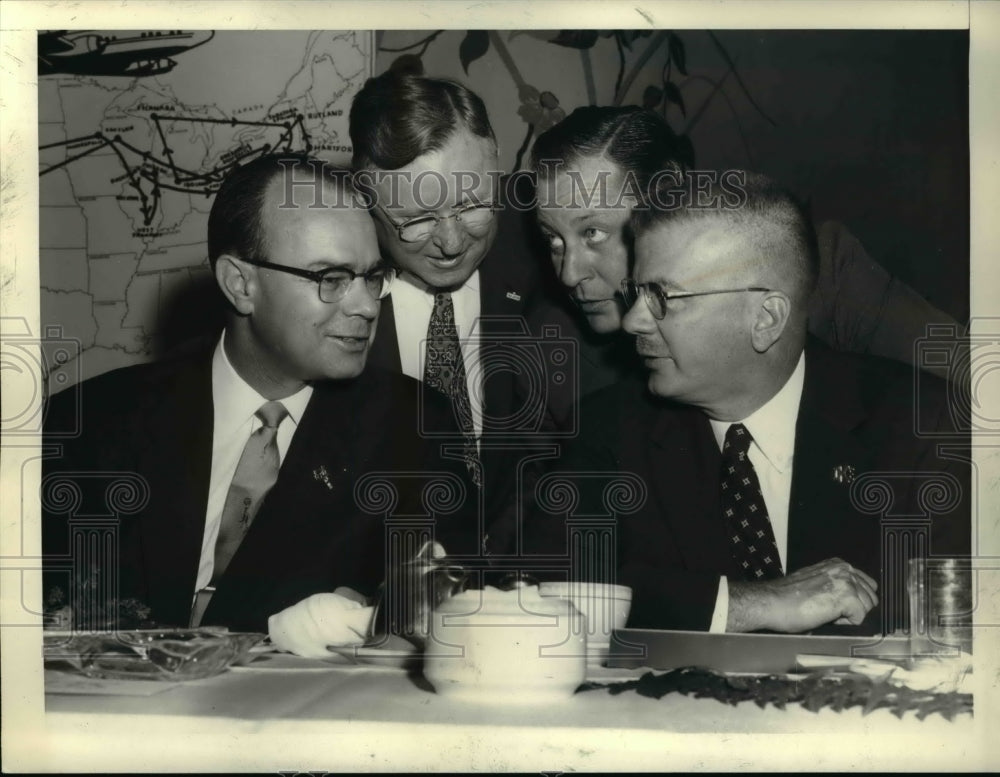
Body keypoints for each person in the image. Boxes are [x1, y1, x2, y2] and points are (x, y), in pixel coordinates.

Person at [41, 153, 475, 637]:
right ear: (240, 284)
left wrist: (380, 620)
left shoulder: (415, 430)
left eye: (372, 277)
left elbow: (445, 615)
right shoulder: (88, 422)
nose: (367, 306)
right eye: (331, 279)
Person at [532, 171, 969, 635]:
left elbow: (961, 624)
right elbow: (546, 590)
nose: (633, 321)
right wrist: (752, 604)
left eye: (661, 296)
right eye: (636, 293)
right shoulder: (609, 429)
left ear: (766, 318)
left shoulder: (926, 428)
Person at [527, 106, 964, 430]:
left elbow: (974, 385)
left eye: (593, 233)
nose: (569, 274)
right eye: (553, 239)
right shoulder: (550, 351)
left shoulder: (819, 271)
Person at [349, 69, 552, 555]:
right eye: (417, 220)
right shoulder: (329, 294)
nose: (453, 242)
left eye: (473, 206)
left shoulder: (552, 260)